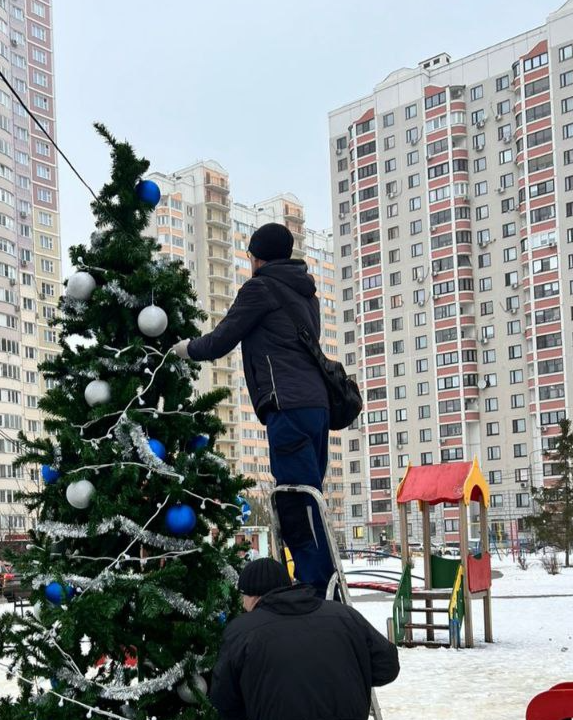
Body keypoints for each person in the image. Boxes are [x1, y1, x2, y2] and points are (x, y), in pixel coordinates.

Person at [173, 222, 334, 596]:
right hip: (317, 407)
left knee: (294, 500)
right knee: (311, 497)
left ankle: (313, 586)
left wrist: (183, 349)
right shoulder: (306, 293)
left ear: (257, 258)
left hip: (288, 407)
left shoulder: (260, 288)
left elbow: (220, 340)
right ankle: (324, 580)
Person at [210, 558, 399, 720]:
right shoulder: (344, 615)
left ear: (252, 595)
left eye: (243, 595)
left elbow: (224, 699)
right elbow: (387, 666)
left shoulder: (242, 631)